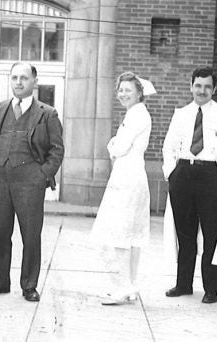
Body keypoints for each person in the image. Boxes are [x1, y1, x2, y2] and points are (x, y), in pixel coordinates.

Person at [0, 62, 64, 301]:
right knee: (0, 232)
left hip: (30, 182)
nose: (18, 82)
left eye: (24, 78)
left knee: (31, 234)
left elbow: (57, 150)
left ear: (34, 81)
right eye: (14, 77)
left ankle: (28, 285)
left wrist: (41, 175)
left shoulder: (47, 113)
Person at [163, 66, 217, 304]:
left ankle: (211, 288)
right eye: (198, 85)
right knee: (185, 234)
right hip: (184, 173)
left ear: (214, 89)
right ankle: (184, 284)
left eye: (207, 86)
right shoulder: (181, 113)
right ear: (191, 86)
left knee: (212, 235)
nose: (202, 90)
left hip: (211, 176)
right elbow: (168, 147)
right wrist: (171, 173)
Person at [90, 72, 156, 305]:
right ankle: (131, 285)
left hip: (128, 177)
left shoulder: (137, 115)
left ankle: (125, 286)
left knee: (121, 233)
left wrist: (112, 145)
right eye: (121, 90)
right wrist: (115, 146)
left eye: (128, 90)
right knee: (132, 235)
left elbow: (120, 147)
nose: (123, 94)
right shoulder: (136, 114)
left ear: (139, 92)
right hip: (131, 175)